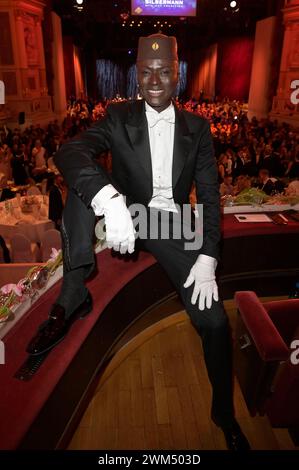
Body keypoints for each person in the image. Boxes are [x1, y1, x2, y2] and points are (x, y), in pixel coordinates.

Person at [26, 34, 250, 450]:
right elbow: (70, 152)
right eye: (145, 72)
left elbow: (212, 197)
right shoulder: (118, 116)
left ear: (178, 75)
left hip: (172, 226)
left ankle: (224, 416)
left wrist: (208, 256)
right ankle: (71, 298)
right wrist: (109, 201)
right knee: (81, 188)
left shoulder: (198, 128)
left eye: (164, 71)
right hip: (125, 219)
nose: (154, 80)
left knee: (215, 323)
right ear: (136, 79)